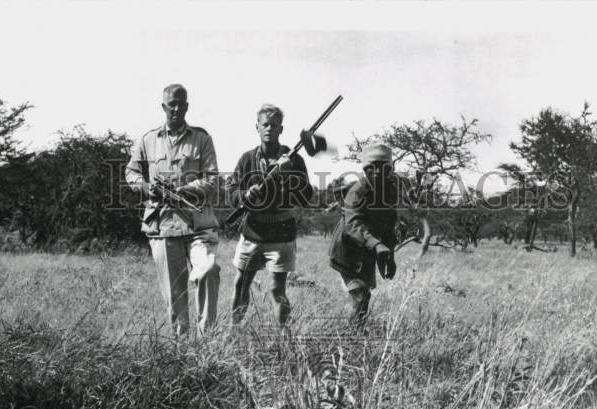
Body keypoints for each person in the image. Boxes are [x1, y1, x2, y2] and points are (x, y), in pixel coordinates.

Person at [125, 84, 220, 336]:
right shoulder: (147, 139)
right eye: (171, 104)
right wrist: (146, 187)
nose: (176, 109)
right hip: (163, 226)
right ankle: (182, 351)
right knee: (175, 296)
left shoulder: (202, 138)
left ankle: (207, 341)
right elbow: (130, 172)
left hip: (197, 223)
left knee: (209, 271)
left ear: (187, 106)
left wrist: (184, 190)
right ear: (163, 107)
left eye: (181, 104)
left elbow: (212, 178)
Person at [226, 103, 313, 326]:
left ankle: (282, 339)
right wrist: (245, 195)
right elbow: (232, 190)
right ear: (257, 127)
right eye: (265, 124)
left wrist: (288, 174)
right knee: (241, 283)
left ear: (281, 130)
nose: (269, 129)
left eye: (274, 125)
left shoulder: (294, 160)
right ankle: (234, 332)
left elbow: (306, 196)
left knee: (277, 289)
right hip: (252, 232)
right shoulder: (246, 159)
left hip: (281, 235)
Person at [327, 142, 399, 327]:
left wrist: (389, 257)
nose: (376, 172)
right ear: (365, 169)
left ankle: (355, 334)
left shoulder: (390, 191)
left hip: (367, 252)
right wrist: (376, 245)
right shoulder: (357, 191)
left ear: (389, 169)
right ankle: (351, 338)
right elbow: (353, 224)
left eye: (382, 167)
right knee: (360, 296)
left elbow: (389, 225)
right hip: (347, 251)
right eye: (371, 167)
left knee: (363, 298)